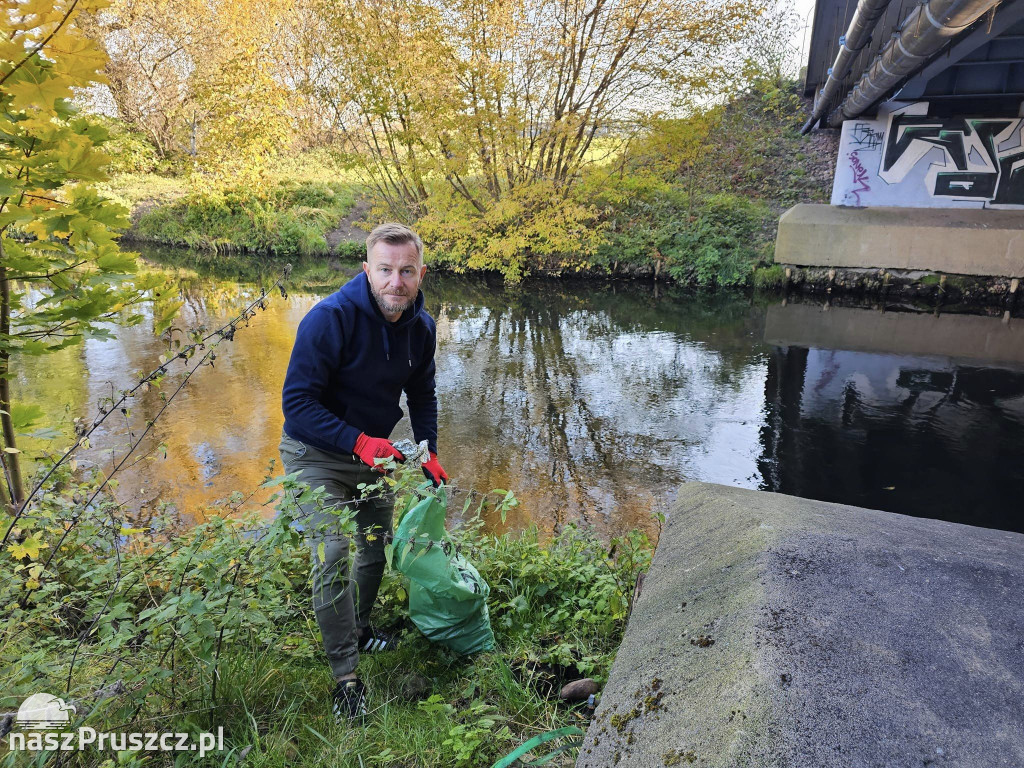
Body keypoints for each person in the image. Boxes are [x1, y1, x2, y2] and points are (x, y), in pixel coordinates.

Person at [278, 222, 448, 722]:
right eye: (385, 270)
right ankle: (345, 676)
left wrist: (428, 448)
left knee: (375, 545)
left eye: (407, 271)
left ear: (420, 273)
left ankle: (361, 625)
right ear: (367, 270)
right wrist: (355, 440)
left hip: (375, 458)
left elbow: (421, 393)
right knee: (332, 550)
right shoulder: (329, 319)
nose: (396, 281)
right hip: (315, 454)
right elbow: (297, 404)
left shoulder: (423, 327)